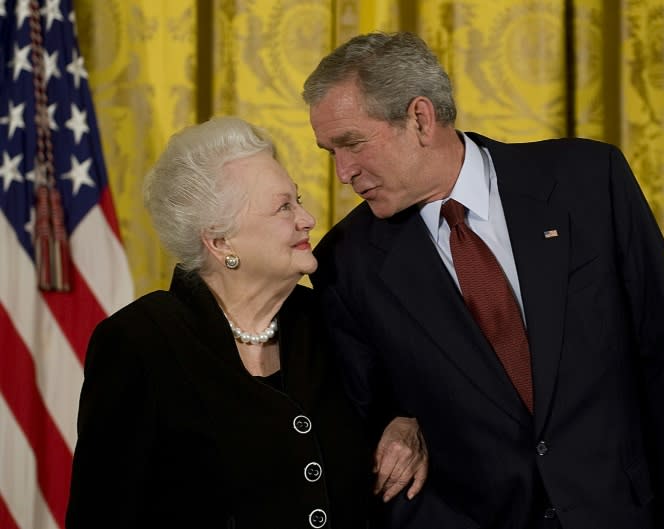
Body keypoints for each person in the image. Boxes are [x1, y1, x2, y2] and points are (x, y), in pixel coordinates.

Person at [303, 31, 664, 529]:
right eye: (329, 152)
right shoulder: (346, 261)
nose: (342, 172)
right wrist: (396, 422)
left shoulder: (589, 180)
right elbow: (360, 421)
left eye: (352, 144)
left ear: (420, 119)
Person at [65, 116, 427, 529]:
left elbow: (410, 398)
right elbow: (102, 513)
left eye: (299, 199)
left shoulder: (327, 318)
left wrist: (407, 422)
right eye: (283, 207)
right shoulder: (139, 341)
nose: (307, 218)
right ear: (220, 242)